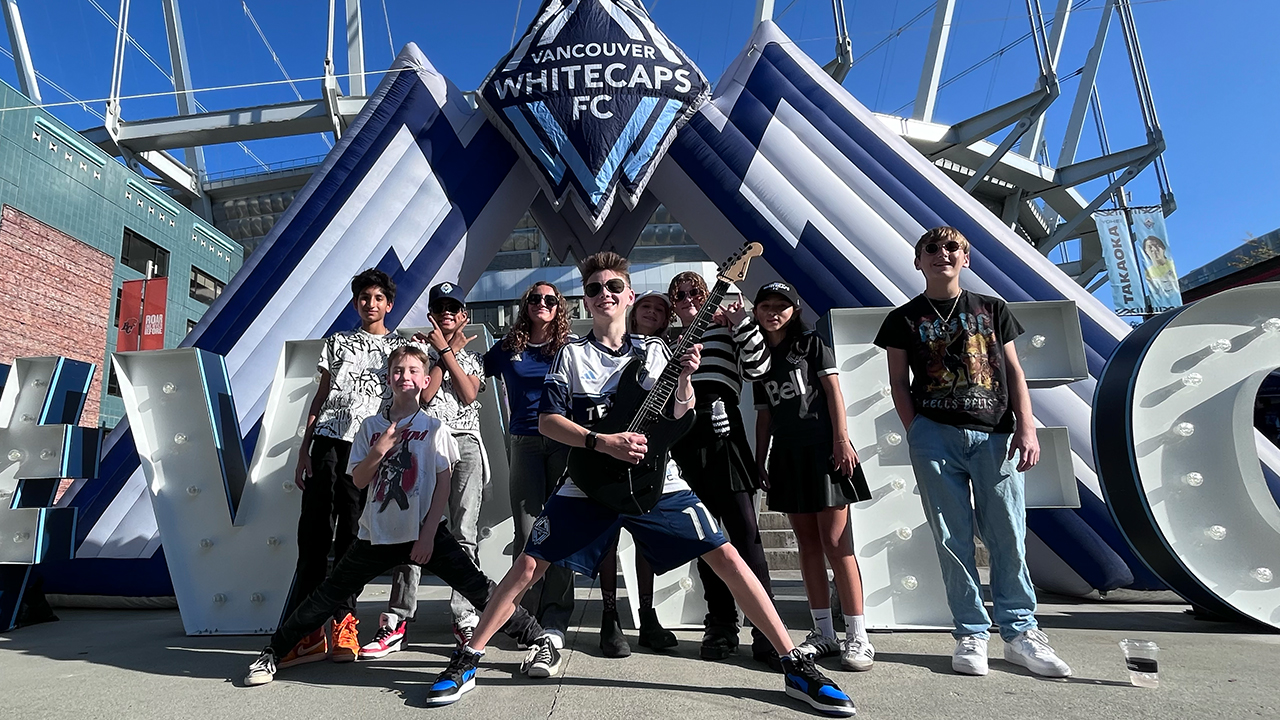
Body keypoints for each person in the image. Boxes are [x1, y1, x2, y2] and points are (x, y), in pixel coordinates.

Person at [422, 252, 857, 717]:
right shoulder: (571, 355)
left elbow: (680, 417)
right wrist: (600, 441)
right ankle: (468, 659)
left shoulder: (656, 352)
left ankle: (794, 665)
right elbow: (548, 422)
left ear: (629, 296)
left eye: (614, 287)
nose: (604, 294)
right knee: (529, 564)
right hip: (588, 479)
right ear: (585, 303)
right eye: (594, 289)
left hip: (655, 479)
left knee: (727, 553)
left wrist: (686, 379)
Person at [245, 347, 551, 686]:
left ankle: (538, 640)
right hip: (375, 536)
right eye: (398, 370)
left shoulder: (436, 428)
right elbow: (359, 480)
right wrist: (379, 450)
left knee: (479, 589)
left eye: (412, 370)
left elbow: (443, 485)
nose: (405, 376)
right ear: (388, 377)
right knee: (327, 594)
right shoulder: (370, 427)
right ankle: (273, 653)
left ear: (424, 379)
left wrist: (427, 533)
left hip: (426, 535)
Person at [873, 226, 1071, 678]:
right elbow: (898, 383)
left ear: (966, 258)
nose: (942, 254)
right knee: (951, 537)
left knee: (1008, 534)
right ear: (918, 260)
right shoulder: (902, 319)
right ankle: (970, 632)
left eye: (952, 248)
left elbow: (1015, 370)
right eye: (931, 248)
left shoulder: (992, 308)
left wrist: (1028, 428)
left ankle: (1020, 632)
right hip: (935, 436)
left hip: (995, 435)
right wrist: (916, 430)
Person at [286, 269, 422, 666]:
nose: (370, 303)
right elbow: (321, 394)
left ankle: (344, 621)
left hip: (367, 450)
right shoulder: (338, 342)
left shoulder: (400, 347)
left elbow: (414, 390)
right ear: (355, 302)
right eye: (364, 297)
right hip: (328, 442)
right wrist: (303, 448)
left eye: (378, 297)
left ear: (389, 305)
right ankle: (307, 628)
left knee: (351, 537)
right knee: (313, 536)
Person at [752, 281, 875, 672]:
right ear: (756, 310)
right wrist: (761, 459)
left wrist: (842, 440)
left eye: (782, 305)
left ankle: (858, 635)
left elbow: (833, 392)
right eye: (766, 305)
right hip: (787, 455)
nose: (774, 312)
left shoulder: (811, 343)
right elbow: (765, 414)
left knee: (837, 544)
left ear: (795, 308)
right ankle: (823, 632)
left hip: (824, 450)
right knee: (806, 545)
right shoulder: (756, 356)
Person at [365, 282, 488, 659]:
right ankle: (398, 618)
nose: (448, 314)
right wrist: (437, 355)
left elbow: (468, 393)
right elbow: (428, 395)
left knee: (464, 530)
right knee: (410, 528)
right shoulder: (419, 355)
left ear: (464, 315)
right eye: (441, 308)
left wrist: (448, 351)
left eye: (454, 308)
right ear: (431, 313)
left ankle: (464, 617)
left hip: (465, 442)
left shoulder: (474, 357)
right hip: (425, 440)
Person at [665, 272, 777, 668]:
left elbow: (759, 368)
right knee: (706, 537)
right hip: (686, 436)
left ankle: (766, 627)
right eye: (679, 294)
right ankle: (721, 622)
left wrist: (742, 322)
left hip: (725, 429)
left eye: (695, 291)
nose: (687, 298)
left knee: (746, 532)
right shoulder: (668, 341)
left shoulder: (728, 330)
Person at [480, 281, 574, 675]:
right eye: (535, 298)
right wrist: (442, 347)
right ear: (526, 305)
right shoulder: (508, 349)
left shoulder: (570, 348)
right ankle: (525, 616)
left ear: (559, 308)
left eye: (550, 300)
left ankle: (554, 619)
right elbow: (471, 374)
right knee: (528, 529)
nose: (541, 304)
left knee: (565, 529)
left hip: (564, 440)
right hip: (524, 440)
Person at [585, 290, 679, 657]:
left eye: (660, 309)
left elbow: (676, 403)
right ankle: (610, 616)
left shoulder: (663, 351)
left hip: (651, 455)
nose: (653, 313)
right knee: (607, 536)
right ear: (631, 309)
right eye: (647, 307)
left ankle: (646, 612)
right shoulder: (606, 347)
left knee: (645, 537)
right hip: (606, 450)